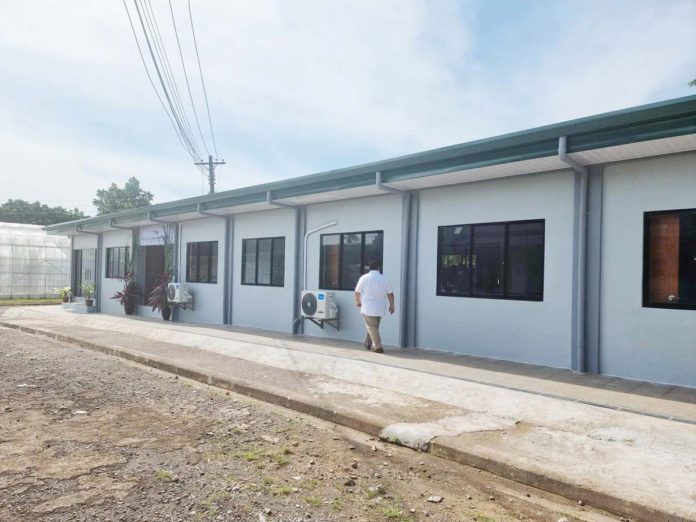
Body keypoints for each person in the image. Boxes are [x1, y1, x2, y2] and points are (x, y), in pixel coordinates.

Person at [354, 259, 394, 354]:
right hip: (380, 308)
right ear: (379, 268)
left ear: (369, 268)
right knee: (373, 327)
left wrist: (358, 302)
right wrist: (392, 305)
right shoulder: (385, 278)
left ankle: (378, 347)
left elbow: (357, 291)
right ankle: (367, 343)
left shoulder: (364, 277)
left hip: (368, 307)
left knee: (372, 327)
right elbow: (390, 294)